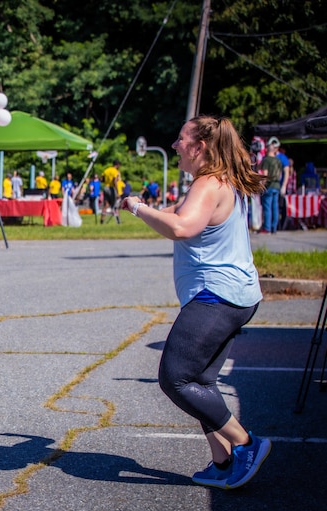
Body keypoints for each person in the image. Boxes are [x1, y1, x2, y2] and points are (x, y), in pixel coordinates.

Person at [121, 115, 270, 489]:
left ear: (199, 147)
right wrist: (141, 206)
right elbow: (178, 214)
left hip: (216, 297)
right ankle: (221, 463)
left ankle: (245, 444)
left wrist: (138, 209)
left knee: (175, 378)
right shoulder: (217, 181)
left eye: (179, 139)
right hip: (234, 295)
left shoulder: (208, 182)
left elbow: (182, 227)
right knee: (201, 380)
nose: (174, 145)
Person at [258, 139, 283, 234]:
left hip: (269, 186)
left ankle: (267, 228)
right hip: (277, 185)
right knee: (275, 207)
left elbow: (265, 175)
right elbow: (280, 174)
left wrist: (262, 186)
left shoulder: (266, 160)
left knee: (267, 207)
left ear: (268, 149)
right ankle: (274, 228)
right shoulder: (278, 161)